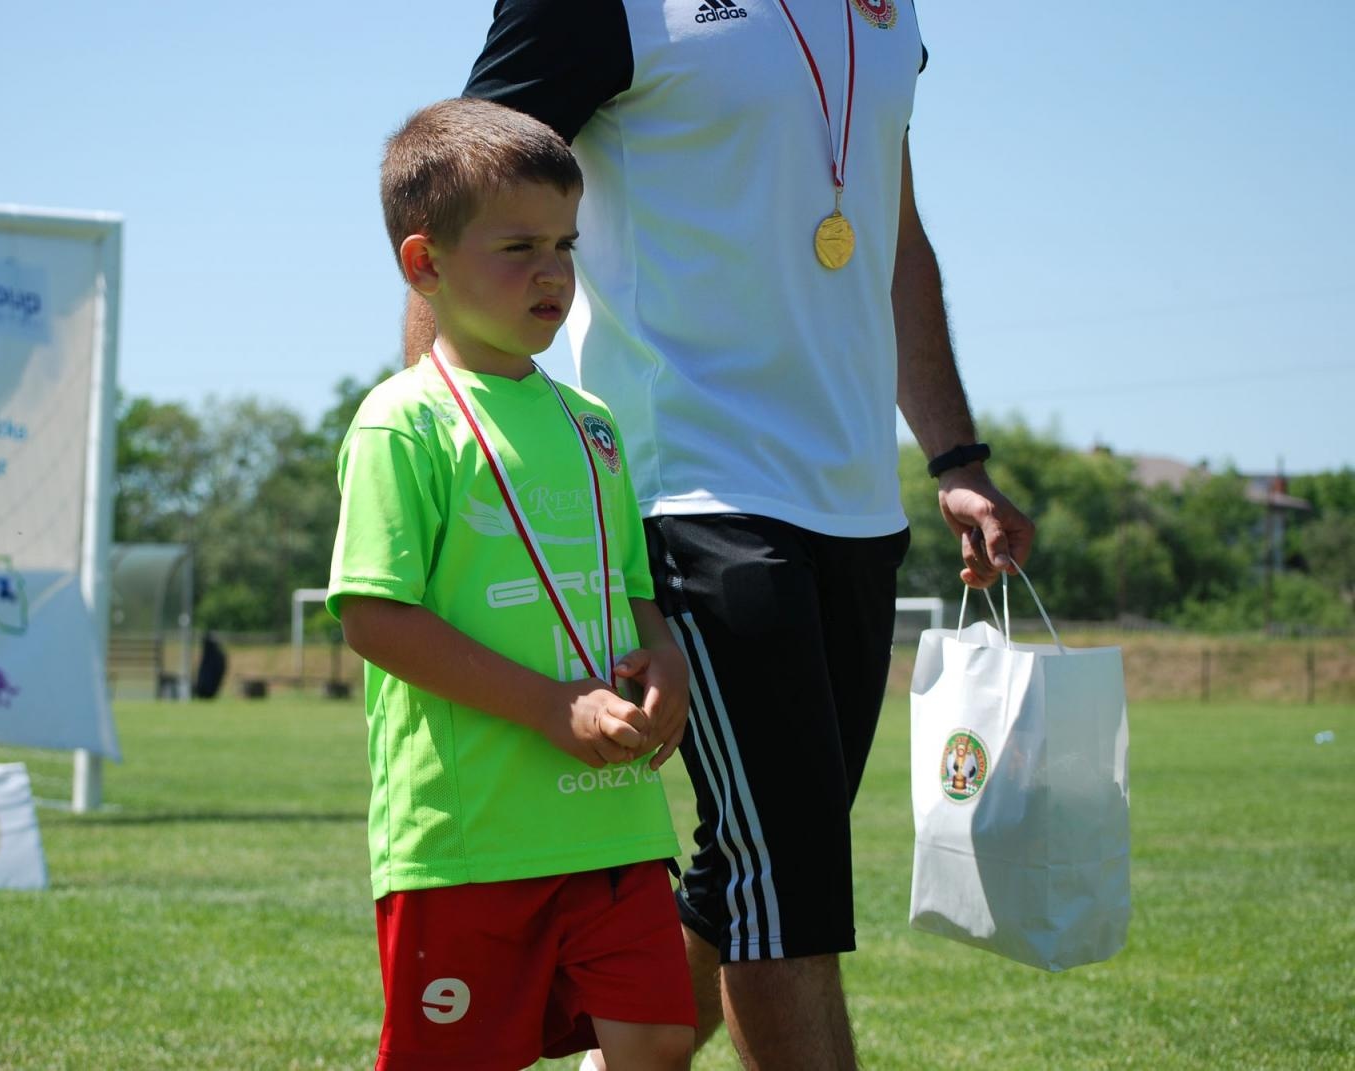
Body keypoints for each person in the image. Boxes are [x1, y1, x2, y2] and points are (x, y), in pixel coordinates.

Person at [401, 4, 1037, 1067]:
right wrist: (428, 441)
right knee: (781, 891)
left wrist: (953, 458)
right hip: (689, 495)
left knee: (752, 868)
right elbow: (456, 210)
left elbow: (893, 235)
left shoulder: (886, 12)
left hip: (852, 504)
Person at [328, 97, 698, 1070]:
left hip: (611, 820)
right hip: (467, 841)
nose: (554, 272)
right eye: (519, 245)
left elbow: (633, 594)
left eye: (567, 244)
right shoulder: (402, 425)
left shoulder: (593, 426)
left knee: (659, 1042)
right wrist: (547, 707)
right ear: (425, 263)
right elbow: (373, 617)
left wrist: (665, 661)